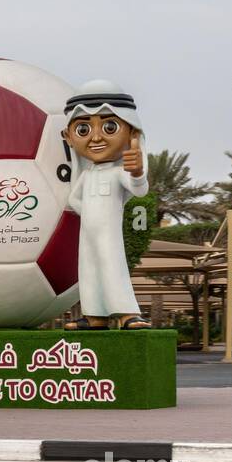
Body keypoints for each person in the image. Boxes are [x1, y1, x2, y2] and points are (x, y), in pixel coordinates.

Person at [60, 79, 151, 330]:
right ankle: (94, 316)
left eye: (110, 127)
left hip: (109, 233)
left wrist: (137, 171)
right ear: (68, 136)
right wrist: (88, 213)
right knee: (88, 270)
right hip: (88, 232)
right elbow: (74, 199)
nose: (96, 137)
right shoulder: (87, 175)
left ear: (132, 132)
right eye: (83, 130)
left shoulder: (117, 171)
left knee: (113, 266)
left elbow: (139, 190)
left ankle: (127, 313)